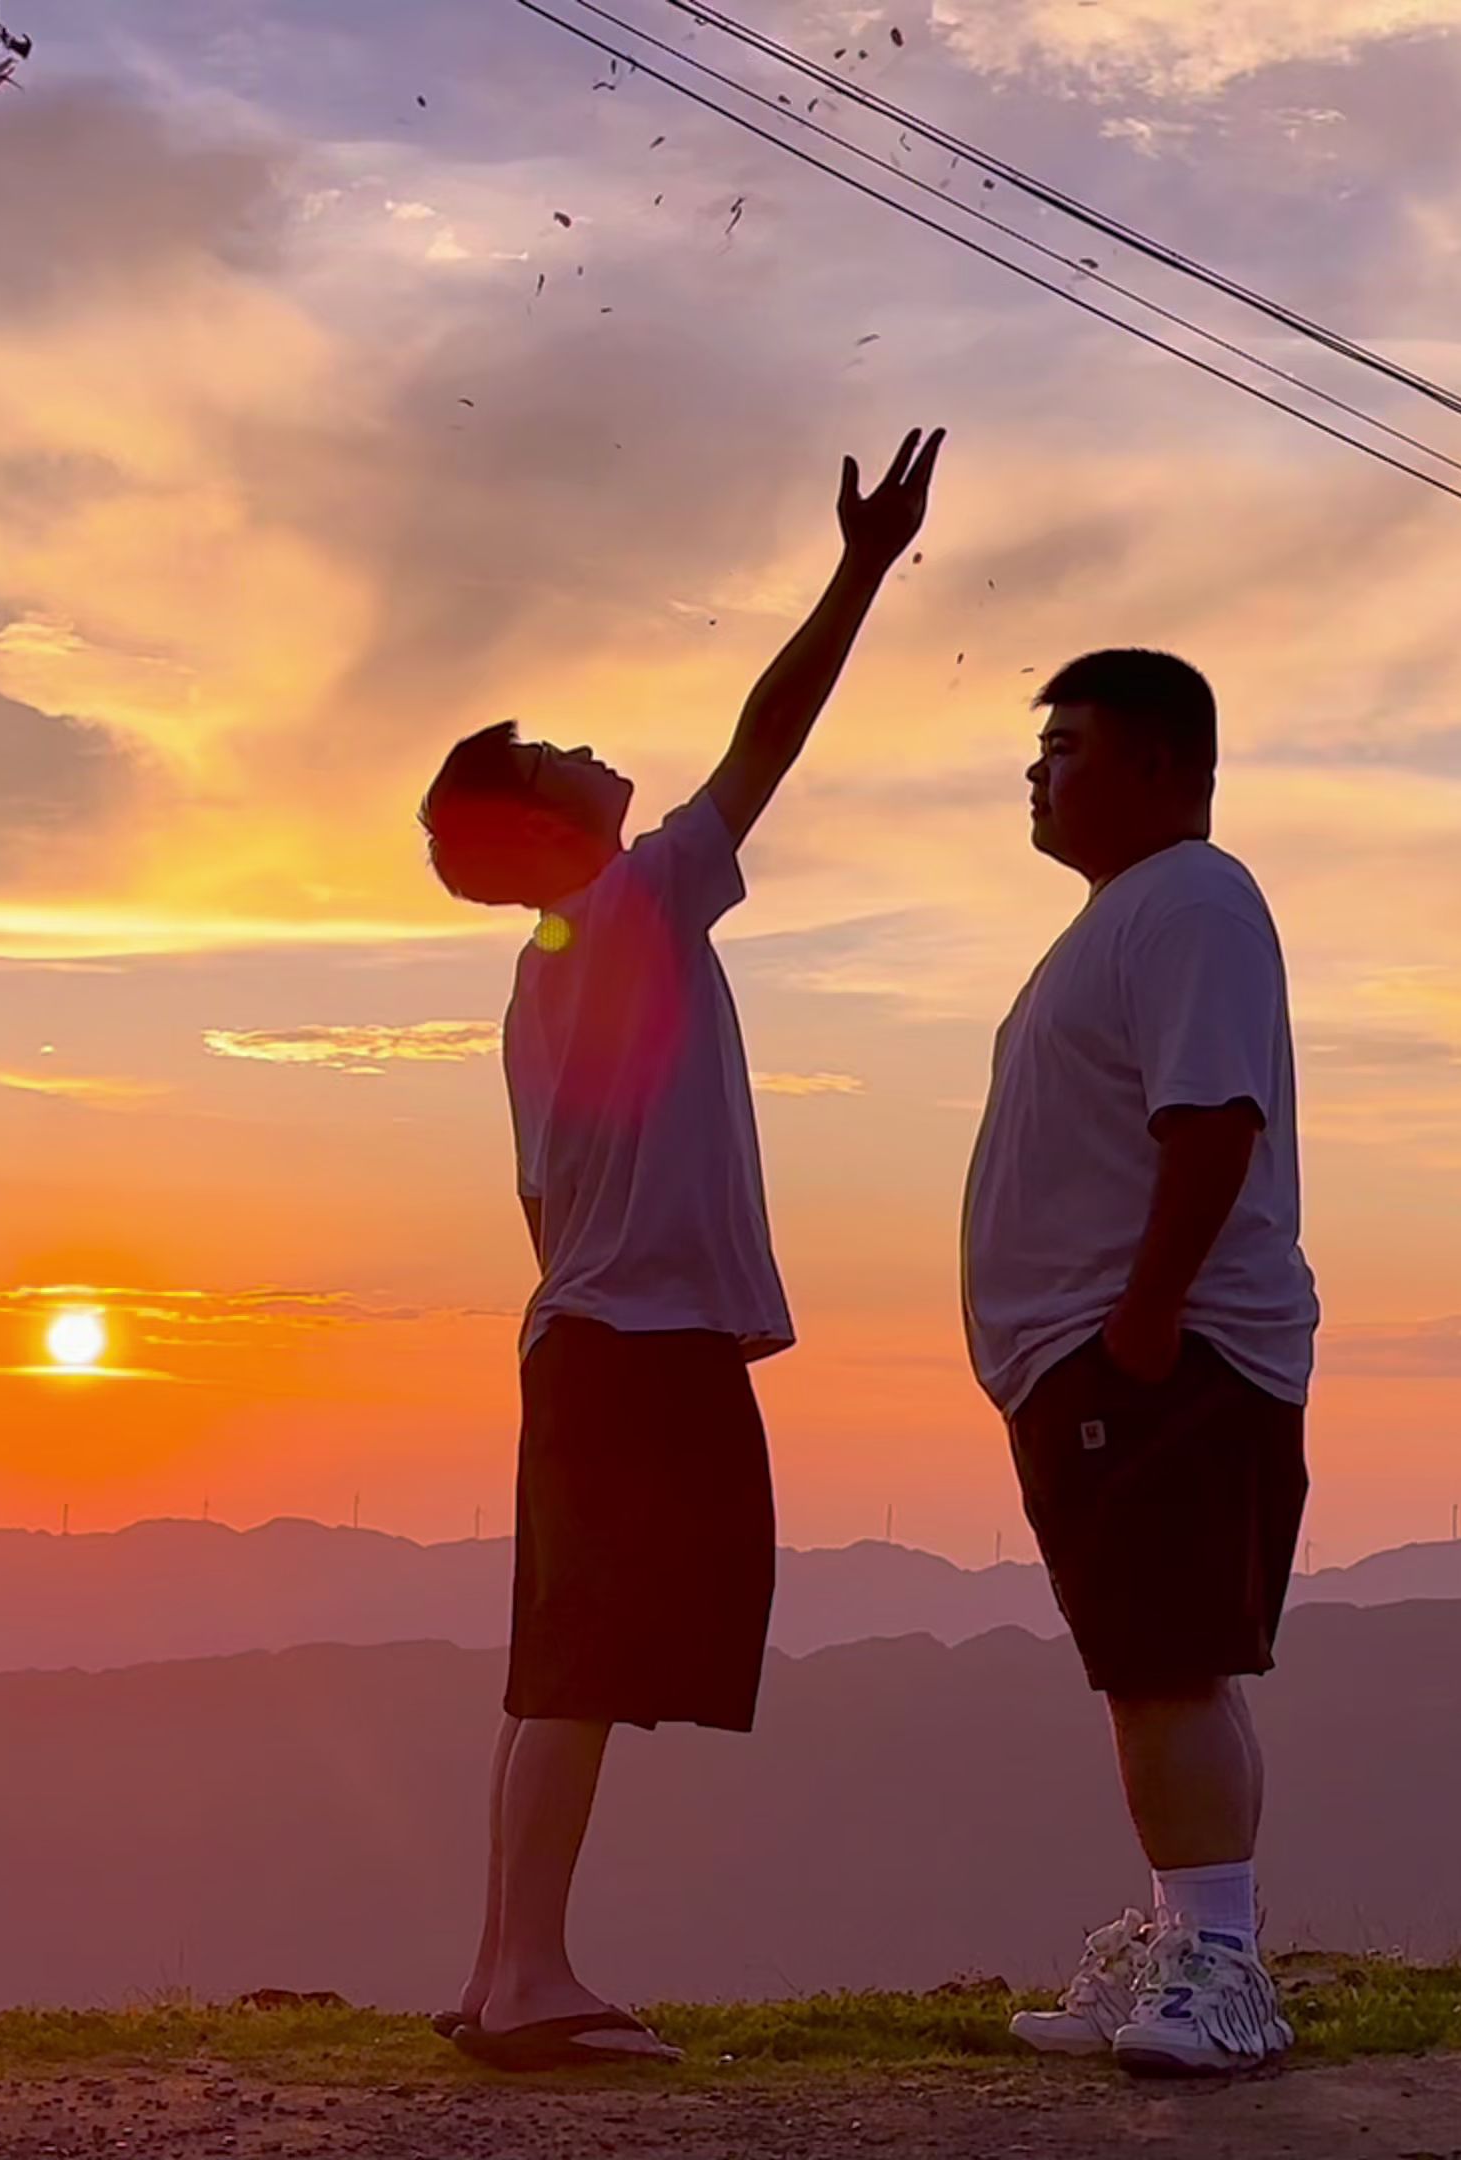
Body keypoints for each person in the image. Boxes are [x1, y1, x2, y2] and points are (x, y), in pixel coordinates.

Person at [415, 432, 943, 2071]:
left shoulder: (542, 978)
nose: (585, 746)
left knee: (560, 1659)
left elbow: (533, 1209)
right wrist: (861, 567)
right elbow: (765, 743)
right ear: (540, 826)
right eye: (553, 752)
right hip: (633, 1348)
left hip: (591, 1335)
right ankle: (526, 1982)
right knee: (575, 1662)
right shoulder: (632, 904)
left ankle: (511, 1968)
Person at [966, 649, 1318, 2077]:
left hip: (1164, 1359)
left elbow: (1214, 1118)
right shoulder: (1131, 915)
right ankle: (1189, 1943)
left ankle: (1223, 1971)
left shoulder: (1192, 900)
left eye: (1067, 745)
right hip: (1108, 1362)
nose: (1038, 772)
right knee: (1152, 1665)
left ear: (1164, 766)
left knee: (1168, 1660)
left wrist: (1145, 1319)